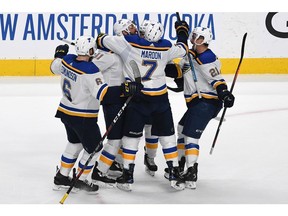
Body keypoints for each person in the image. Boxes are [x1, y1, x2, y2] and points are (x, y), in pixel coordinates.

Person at [96, 20, 189, 191]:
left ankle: (127, 174)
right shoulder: (166, 47)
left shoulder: (128, 44)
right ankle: (174, 171)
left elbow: (101, 40)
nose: (136, 30)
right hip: (160, 99)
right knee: (167, 137)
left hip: (139, 98)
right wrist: (182, 30)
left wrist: (102, 39)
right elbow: (183, 48)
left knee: (131, 138)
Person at [164, 26, 235, 189]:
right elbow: (177, 71)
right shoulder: (189, 55)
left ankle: (191, 171)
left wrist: (224, 93)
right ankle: (181, 165)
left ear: (206, 40)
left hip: (207, 102)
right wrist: (159, 62)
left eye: (200, 37)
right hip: (197, 103)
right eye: (194, 35)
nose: (195, 38)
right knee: (181, 128)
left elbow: (217, 80)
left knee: (190, 136)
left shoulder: (207, 56)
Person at [50, 35, 109, 193]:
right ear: (90, 50)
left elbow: (54, 66)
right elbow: (103, 94)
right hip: (83, 117)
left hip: (65, 112)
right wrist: (125, 89)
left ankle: (61, 177)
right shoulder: (90, 70)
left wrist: (59, 54)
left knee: (75, 144)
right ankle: (80, 179)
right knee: (95, 148)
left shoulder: (67, 60)